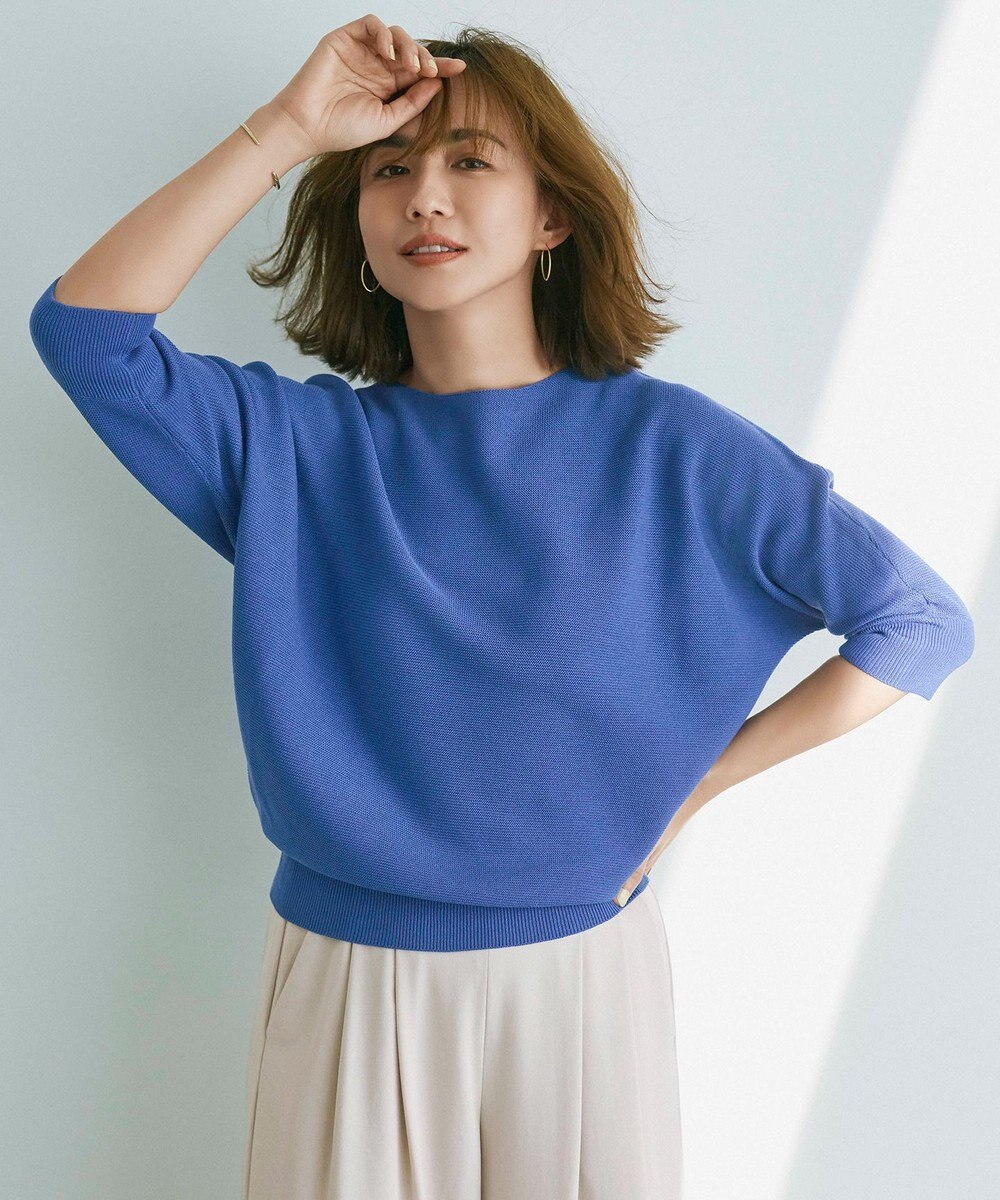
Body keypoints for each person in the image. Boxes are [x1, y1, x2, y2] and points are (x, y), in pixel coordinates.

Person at [28, 16, 975, 1200]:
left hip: (577, 977)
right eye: (389, 170)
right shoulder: (294, 450)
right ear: (357, 224)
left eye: (470, 162)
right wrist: (288, 129)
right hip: (345, 972)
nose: (424, 195)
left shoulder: (673, 448)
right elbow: (86, 336)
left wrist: (691, 790)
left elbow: (918, 621)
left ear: (550, 217)